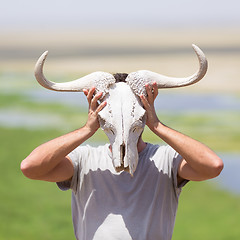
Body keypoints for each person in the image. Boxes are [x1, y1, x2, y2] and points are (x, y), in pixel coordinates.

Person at [21, 82, 223, 240]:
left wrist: (157, 125)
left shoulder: (166, 159)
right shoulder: (84, 159)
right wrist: (86, 130)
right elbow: (30, 167)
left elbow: (212, 166)